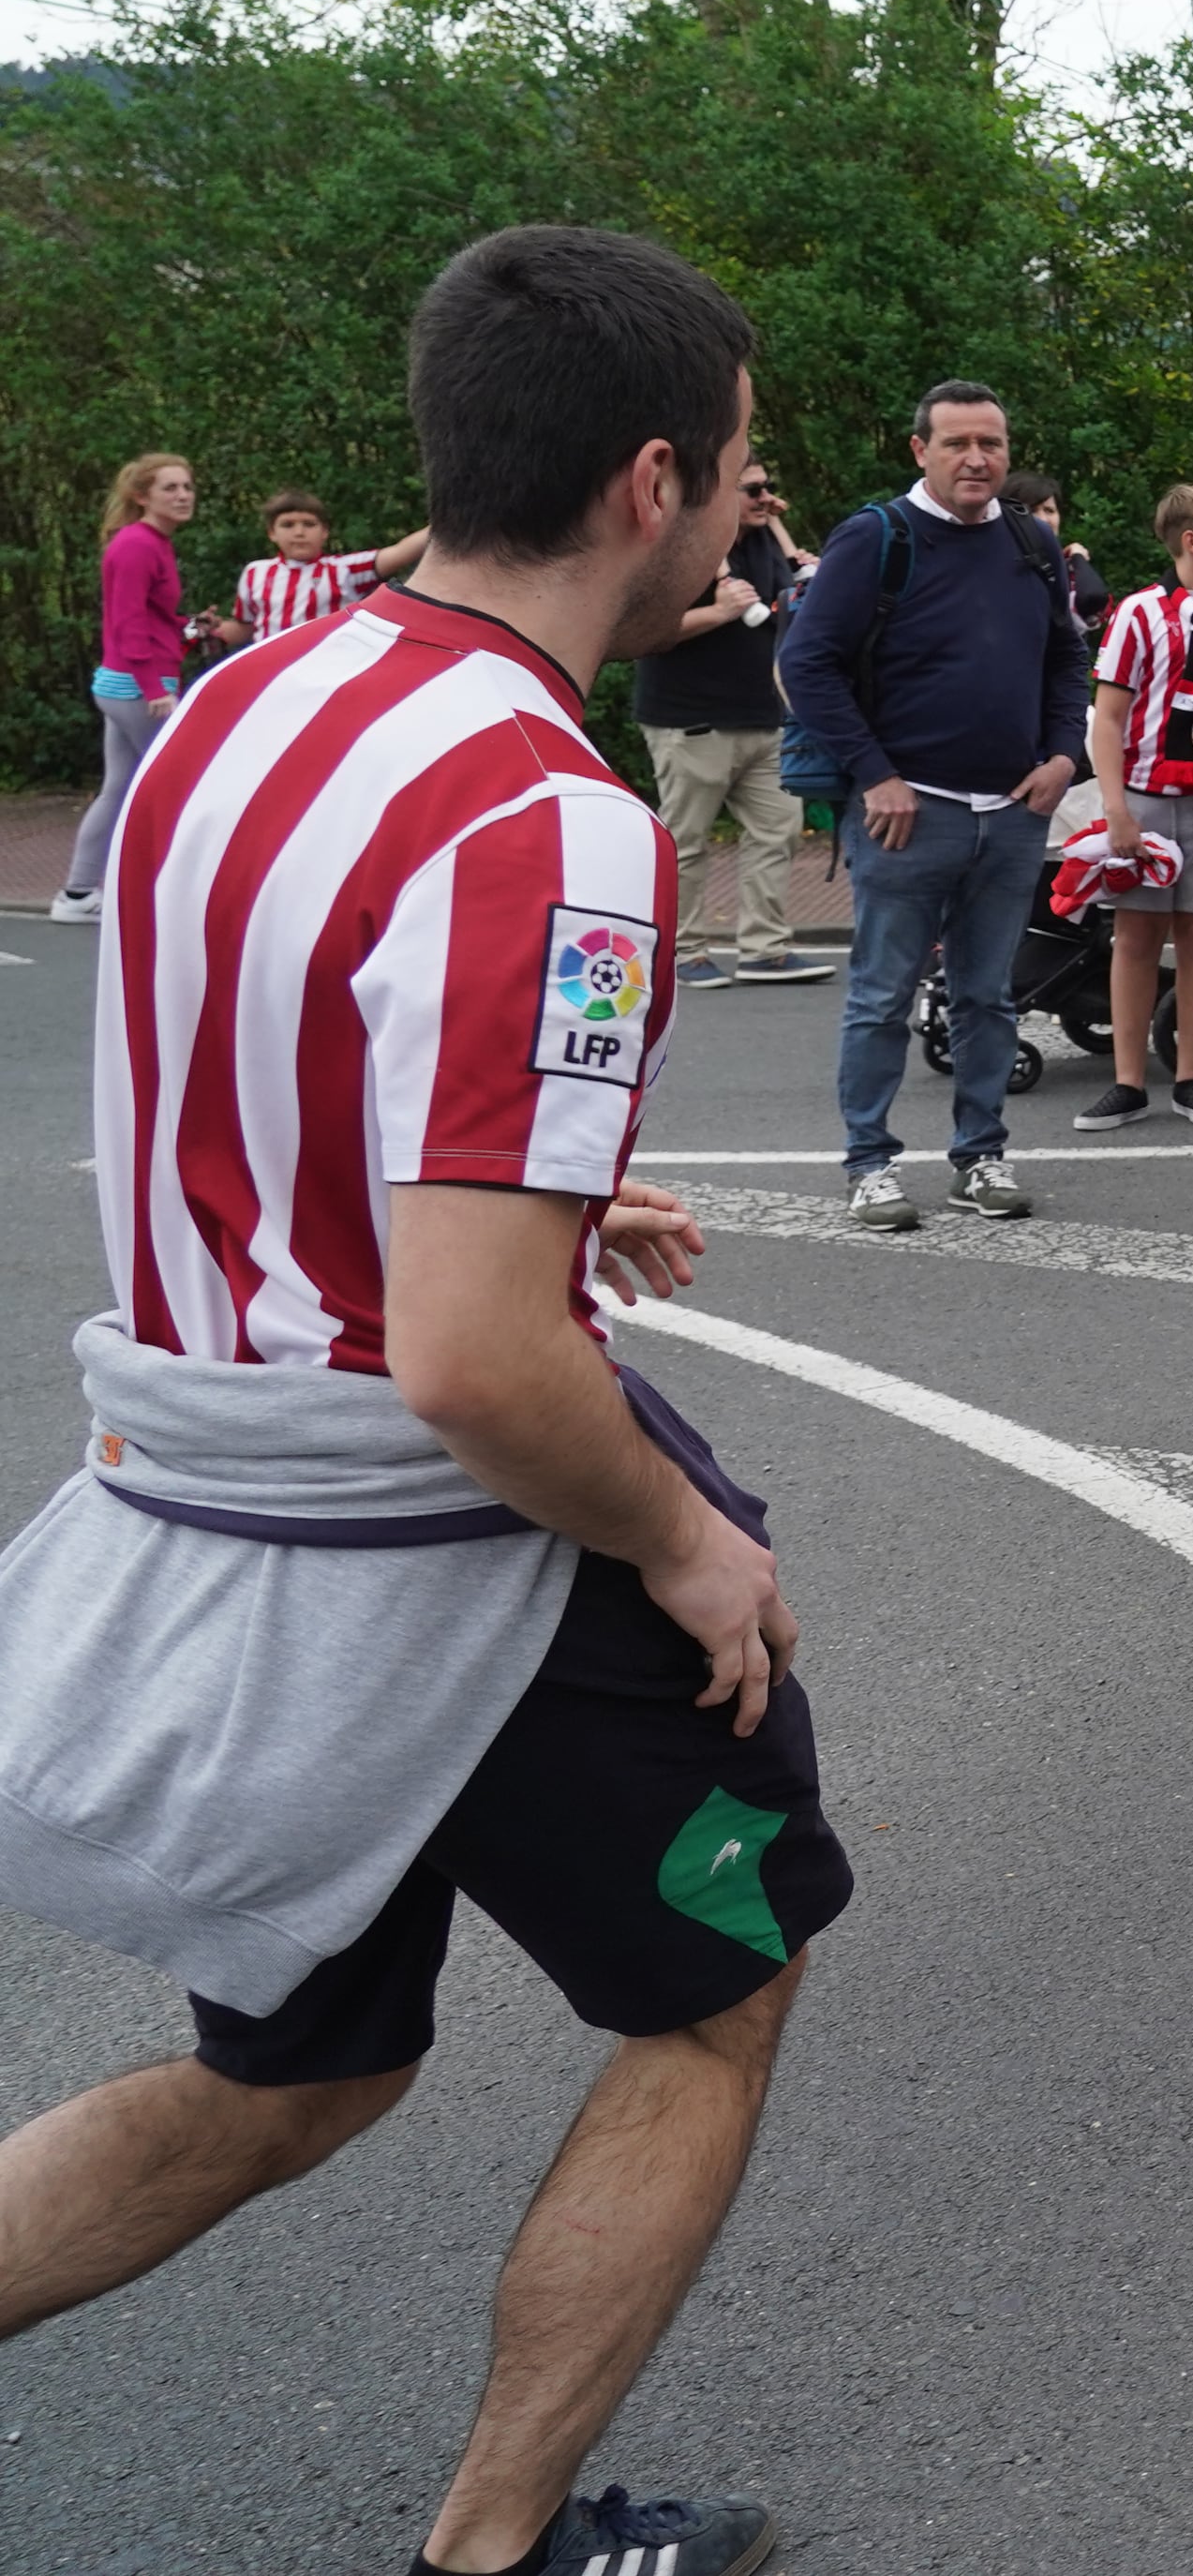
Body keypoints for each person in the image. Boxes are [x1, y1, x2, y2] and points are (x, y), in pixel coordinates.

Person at [0, 223, 840, 2576]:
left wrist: (553, 1193)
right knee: (719, 1990)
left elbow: (273, 1057)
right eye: (746, 475)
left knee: (302, 2071)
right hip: (431, 1539)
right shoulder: (556, 820)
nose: (750, 520)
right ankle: (495, 2549)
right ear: (650, 481)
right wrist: (680, 1538)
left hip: (199, 1492)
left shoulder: (255, 700)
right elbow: (476, 1358)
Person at [774, 382, 1088, 1231]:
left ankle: (980, 1157)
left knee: (988, 998)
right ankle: (870, 1164)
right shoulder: (878, 537)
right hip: (909, 813)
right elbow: (809, 665)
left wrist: (1065, 755)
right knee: (882, 995)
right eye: (956, 443)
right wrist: (875, 774)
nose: (976, 458)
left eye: (991, 442)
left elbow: (1066, 660)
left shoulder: (1031, 543)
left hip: (1013, 810)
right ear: (921, 450)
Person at [1073, 484, 1193, 1131]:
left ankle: (1192, 1076)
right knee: (1133, 936)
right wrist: (1115, 807)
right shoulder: (1137, 613)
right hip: (1145, 796)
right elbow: (1108, 718)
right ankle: (1128, 1082)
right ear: (1192, 541)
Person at [632, 458, 828, 989]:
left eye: (771, 488)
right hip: (692, 720)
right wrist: (717, 612)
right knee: (687, 840)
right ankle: (683, 950)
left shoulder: (766, 543)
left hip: (765, 717)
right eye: (755, 490)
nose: (767, 498)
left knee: (779, 831)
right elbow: (643, 632)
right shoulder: (680, 551)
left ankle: (764, 949)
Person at [53, 453, 201, 921]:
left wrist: (192, 628)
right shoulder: (138, 546)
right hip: (139, 689)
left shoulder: (150, 542)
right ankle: (173, 895)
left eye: (187, 487)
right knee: (178, 788)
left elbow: (154, 618)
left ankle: (77, 896)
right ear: (142, 497)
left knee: (118, 789)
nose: (182, 496)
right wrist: (153, 690)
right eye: (169, 489)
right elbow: (127, 623)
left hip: (123, 685)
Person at [231, 489, 435, 649]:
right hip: (270, 670)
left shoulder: (344, 569)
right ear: (272, 533)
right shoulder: (255, 572)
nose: (299, 532)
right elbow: (244, 628)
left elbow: (399, 553)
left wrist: (446, 524)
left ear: (324, 532)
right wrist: (212, 630)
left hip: (328, 670)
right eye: (288, 525)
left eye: (309, 524)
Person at [1014, 473, 1117, 637]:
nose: (1043, 519)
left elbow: (1093, 604)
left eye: (1049, 510)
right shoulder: (995, 565)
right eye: (1032, 510)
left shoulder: (1063, 570)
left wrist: (1078, 560)